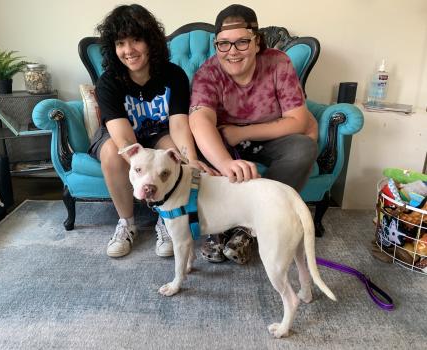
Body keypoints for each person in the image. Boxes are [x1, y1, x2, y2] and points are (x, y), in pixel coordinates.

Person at [189, 4, 318, 265]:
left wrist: (242, 132)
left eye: (242, 43)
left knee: (303, 148)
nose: (232, 52)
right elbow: (199, 119)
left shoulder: (278, 62)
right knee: (201, 147)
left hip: (270, 138)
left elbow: (298, 121)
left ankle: (252, 228)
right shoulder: (207, 72)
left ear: (257, 42)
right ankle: (220, 227)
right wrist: (225, 163)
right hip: (224, 141)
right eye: (223, 44)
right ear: (216, 46)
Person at [90, 4, 211, 258]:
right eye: (121, 43)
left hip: (159, 132)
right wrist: (145, 183)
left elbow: (178, 125)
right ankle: (126, 223)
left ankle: (165, 217)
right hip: (118, 135)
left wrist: (190, 161)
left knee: (172, 151)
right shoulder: (109, 82)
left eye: (136, 40)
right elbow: (123, 138)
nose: (128, 50)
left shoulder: (174, 75)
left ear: (151, 42)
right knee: (113, 151)